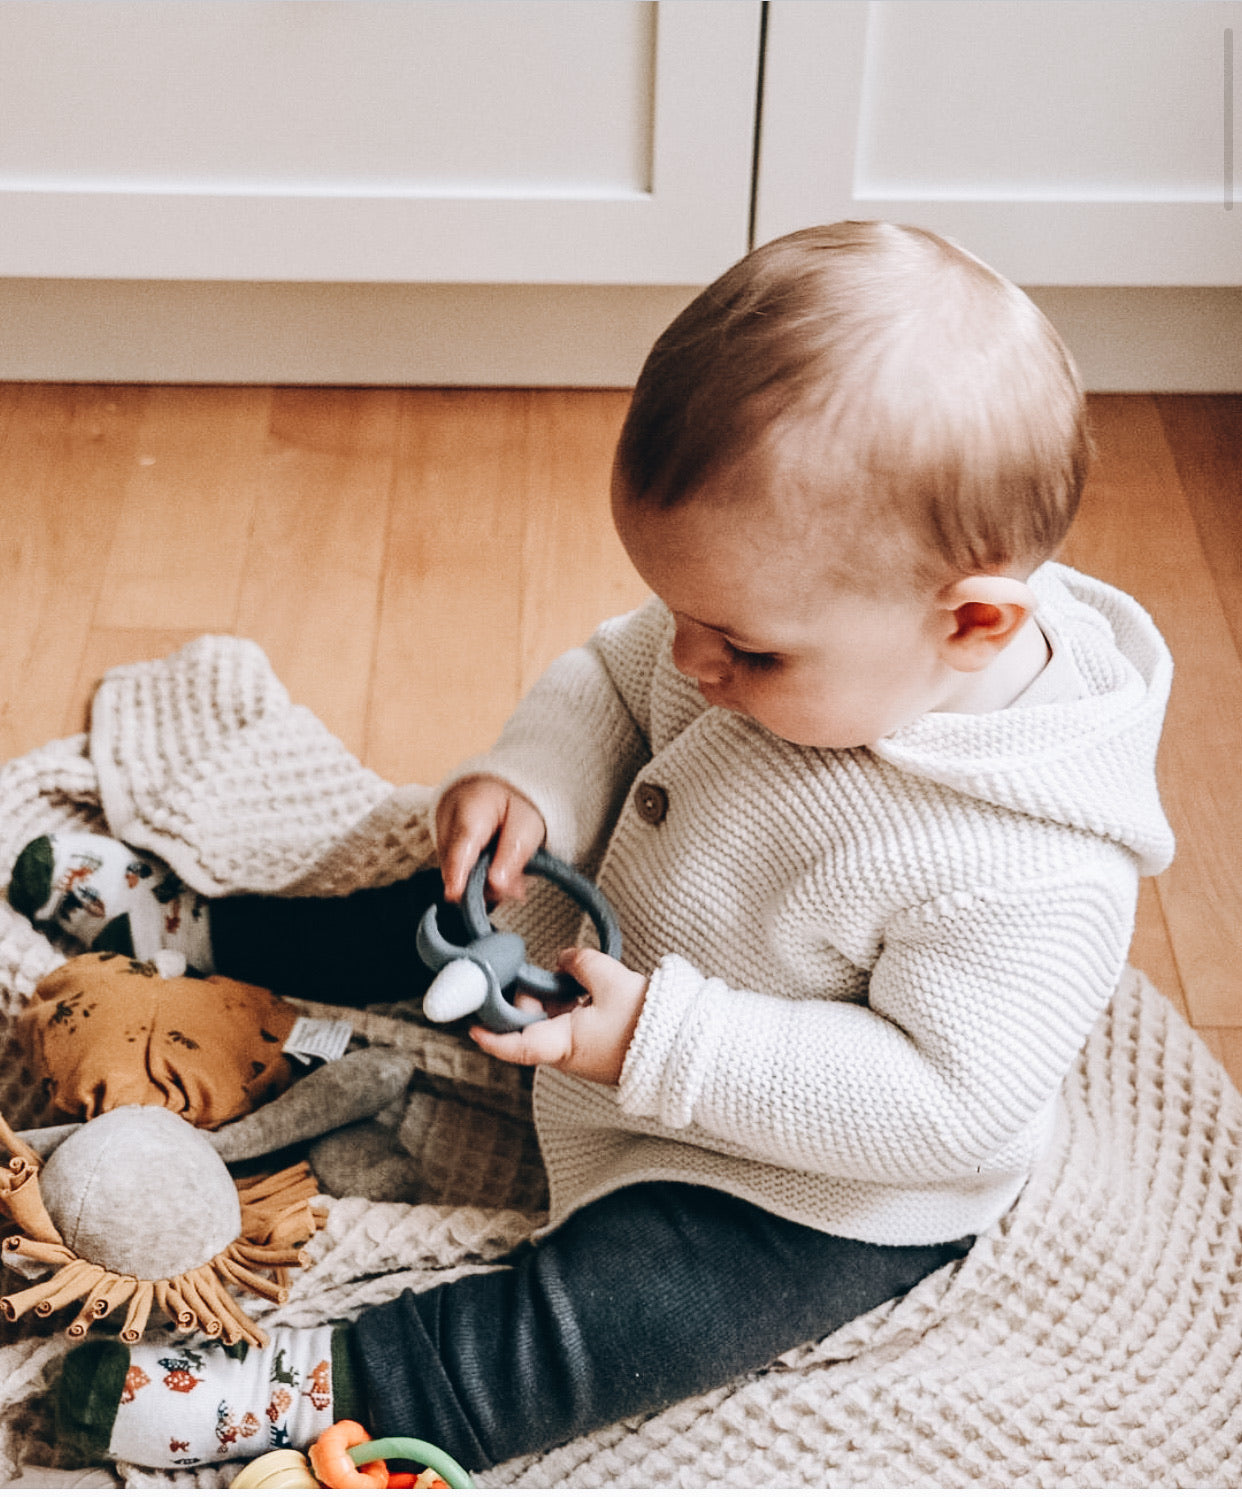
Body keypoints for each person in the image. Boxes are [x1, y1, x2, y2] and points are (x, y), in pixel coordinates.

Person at [55, 221, 1174, 1475]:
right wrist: (532, 783)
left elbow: (946, 1109)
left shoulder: (1034, 865)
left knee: (641, 1312)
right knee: (442, 896)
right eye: (682, 612)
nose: (692, 660)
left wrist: (659, 1043)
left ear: (972, 625)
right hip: (614, 952)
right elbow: (613, 676)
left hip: (805, 1183)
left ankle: (334, 1384)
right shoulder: (787, 611)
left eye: (745, 648)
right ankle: (209, 928)